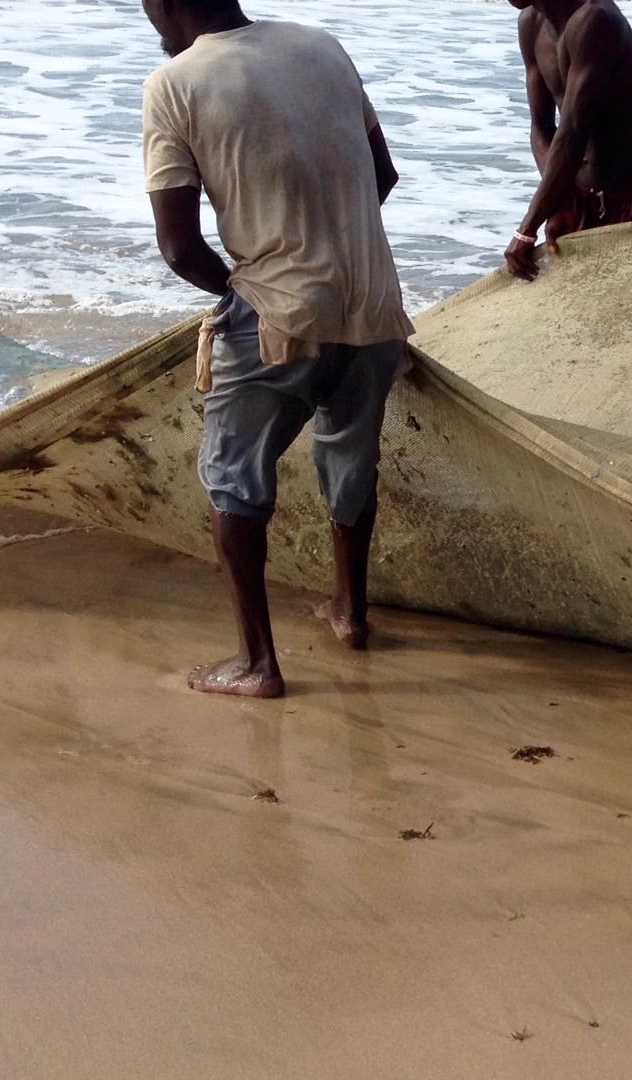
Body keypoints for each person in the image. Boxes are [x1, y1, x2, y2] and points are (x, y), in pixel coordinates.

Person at [139, 0, 414, 697]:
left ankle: (258, 664)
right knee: (351, 456)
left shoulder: (173, 82)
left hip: (277, 319)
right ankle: (350, 612)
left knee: (233, 479)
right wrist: (327, 249)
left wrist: (245, 291)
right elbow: (382, 176)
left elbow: (178, 247)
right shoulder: (321, 45)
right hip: (374, 305)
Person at [506, 0, 632, 280]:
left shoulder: (595, 19)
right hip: (579, 203)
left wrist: (527, 228)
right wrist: (562, 200)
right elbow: (541, 125)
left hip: (631, 203)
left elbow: (573, 130)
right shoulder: (530, 24)